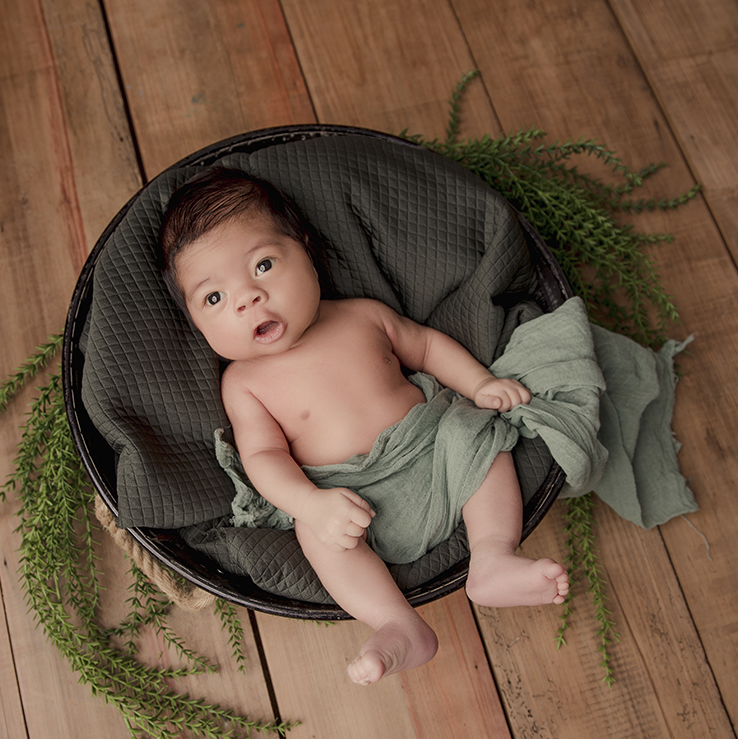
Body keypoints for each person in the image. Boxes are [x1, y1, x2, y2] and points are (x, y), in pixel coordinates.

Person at [160, 167, 569, 685]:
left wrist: (480, 382)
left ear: (305, 252)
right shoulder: (243, 383)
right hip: (347, 499)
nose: (247, 299)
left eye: (263, 265)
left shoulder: (360, 316)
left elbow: (424, 346)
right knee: (314, 535)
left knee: (477, 431)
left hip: (432, 447)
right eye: (214, 298)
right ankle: (395, 621)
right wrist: (311, 504)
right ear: (197, 325)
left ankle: (492, 557)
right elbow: (263, 458)